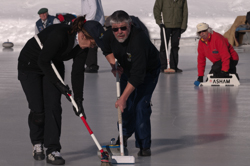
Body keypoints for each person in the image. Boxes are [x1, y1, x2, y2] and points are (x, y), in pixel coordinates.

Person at [18, 16, 104, 165]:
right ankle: (37, 142)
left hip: (52, 64)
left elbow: (77, 73)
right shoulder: (61, 35)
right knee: (38, 110)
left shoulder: (82, 48)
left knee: (54, 107)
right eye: (92, 43)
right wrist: (59, 84)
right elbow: (42, 60)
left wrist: (78, 99)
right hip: (31, 64)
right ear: (83, 35)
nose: (92, 47)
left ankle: (52, 150)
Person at [101, 10, 160, 156]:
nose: (119, 32)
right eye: (116, 29)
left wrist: (123, 97)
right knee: (125, 107)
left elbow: (138, 75)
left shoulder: (139, 40)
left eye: (123, 28)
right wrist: (113, 65)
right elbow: (105, 48)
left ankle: (144, 145)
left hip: (147, 72)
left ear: (130, 25)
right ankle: (123, 136)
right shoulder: (109, 34)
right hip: (127, 70)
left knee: (140, 105)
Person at [153, 0, 188, 73]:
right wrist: (159, 22)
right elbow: (156, 9)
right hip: (165, 26)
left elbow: (185, 13)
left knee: (175, 46)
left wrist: (183, 26)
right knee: (164, 46)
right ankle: (163, 66)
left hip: (177, 26)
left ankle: (174, 66)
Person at [81, 0, 105, 73]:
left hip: (93, 22)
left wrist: (87, 20)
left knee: (91, 42)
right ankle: (90, 64)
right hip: (93, 21)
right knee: (89, 42)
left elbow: (93, 8)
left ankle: (92, 65)